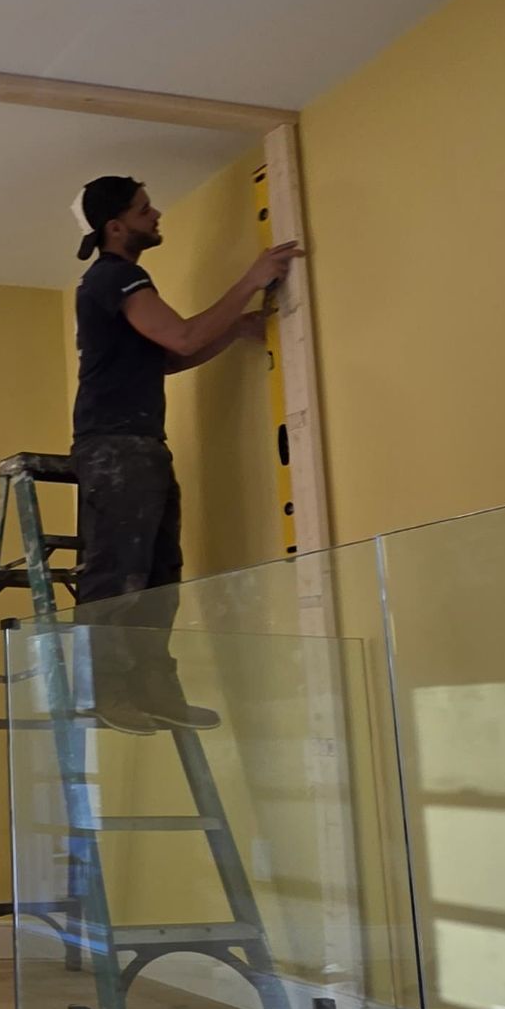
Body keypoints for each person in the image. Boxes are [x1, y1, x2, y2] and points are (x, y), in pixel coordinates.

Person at [69, 174, 298, 729]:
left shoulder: (118, 282)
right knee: (119, 573)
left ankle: (153, 691)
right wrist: (251, 279)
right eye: (145, 209)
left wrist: (235, 330)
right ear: (115, 226)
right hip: (115, 445)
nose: (157, 214)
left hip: (138, 443)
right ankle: (103, 693)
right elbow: (183, 338)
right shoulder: (114, 277)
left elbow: (168, 359)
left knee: (158, 578)